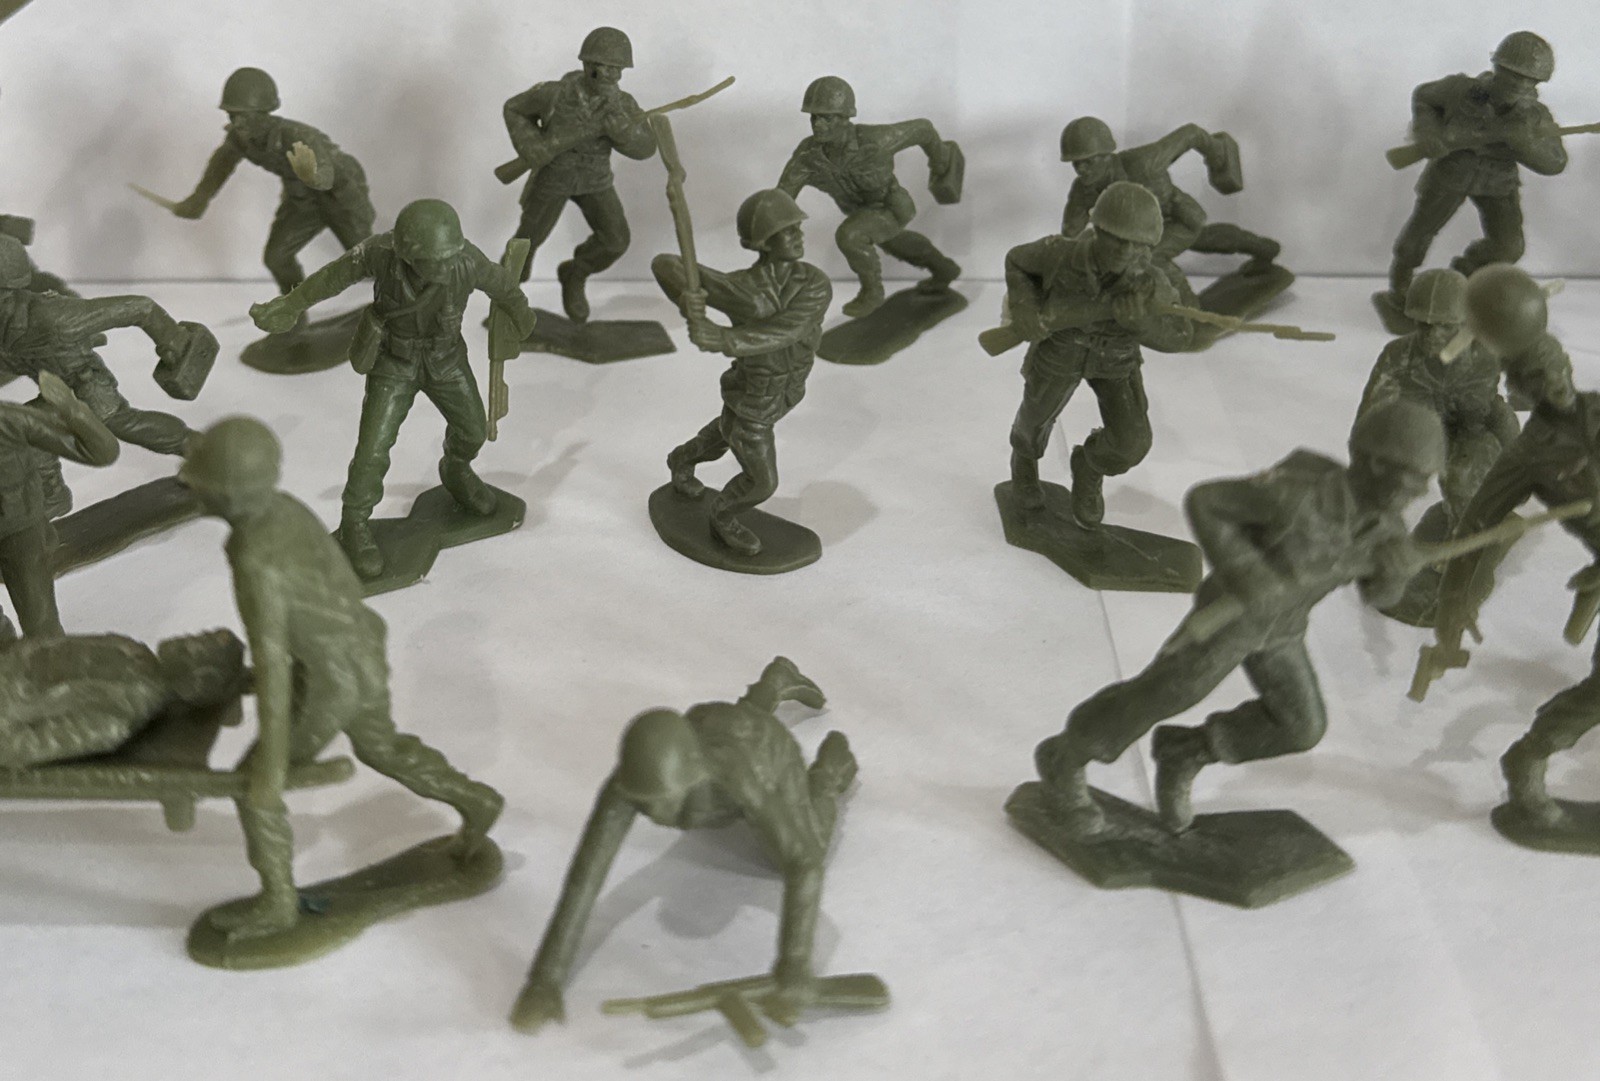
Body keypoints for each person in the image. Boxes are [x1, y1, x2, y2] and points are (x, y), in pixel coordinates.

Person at [1032, 401, 1445, 834]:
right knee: (1160, 694)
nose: (1421, 492)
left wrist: (1397, 574)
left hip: (1283, 631)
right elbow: (1206, 501)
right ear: (1376, 464)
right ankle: (1065, 757)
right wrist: (1248, 572)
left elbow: (1379, 596)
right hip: (1230, 621)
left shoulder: (1387, 529)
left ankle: (1185, 752)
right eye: (1414, 479)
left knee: (1301, 726)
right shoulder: (1296, 495)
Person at [178, 416, 503, 938]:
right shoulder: (284, 509)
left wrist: (269, 769)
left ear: (229, 494)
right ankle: (477, 802)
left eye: (200, 478)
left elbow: (272, 660)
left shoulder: (254, 558)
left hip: (330, 678)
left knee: (254, 788)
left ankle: (277, 904)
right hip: (360, 646)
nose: (188, 481)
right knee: (383, 748)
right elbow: (336, 584)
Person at [511, 657, 856, 1033]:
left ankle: (829, 771)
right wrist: (544, 981)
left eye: (667, 800)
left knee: (806, 848)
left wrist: (793, 968)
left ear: (694, 774)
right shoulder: (629, 784)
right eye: (647, 803)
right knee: (731, 734)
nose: (656, 814)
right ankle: (771, 685)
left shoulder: (741, 779)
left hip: (762, 752)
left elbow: (803, 864)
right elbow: (585, 878)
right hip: (714, 726)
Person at [249, 198, 535, 579]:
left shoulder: (466, 260)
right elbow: (333, 276)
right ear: (409, 255)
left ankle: (456, 470)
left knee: (473, 431)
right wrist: (290, 305)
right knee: (372, 449)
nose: (445, 267)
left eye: (448, 257)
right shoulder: (380, 254)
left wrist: (522, 316)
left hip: (446, 361)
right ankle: (354, 522)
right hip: (393, 364)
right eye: (434, 261)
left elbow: (504, 287)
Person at [1004, 181, 1195, 526]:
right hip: (1061, 349)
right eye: (1118, 240)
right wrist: (1025, 308)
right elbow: (1017, 261)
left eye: (1138, 244)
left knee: (1132, 441)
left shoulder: (1153, 282)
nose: (1127, 252)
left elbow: (1181, 337)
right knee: (1034, 417)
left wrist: (1141, 325)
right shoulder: (1059, 254)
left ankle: (1089, 468)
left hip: (1116, 360)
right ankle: (1024, 462)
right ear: (1098, 230)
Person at [652, 188, 832, 556]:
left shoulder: (814, 283)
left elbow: (789, 330)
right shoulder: (741, 288)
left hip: (787, 391)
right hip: (755, 391)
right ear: (764, 241)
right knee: (762, 481)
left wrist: (723, 337)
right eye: (787, 230)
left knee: (727, 431)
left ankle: (681, 460)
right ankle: (723, 515)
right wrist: (687, 300)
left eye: (797, 227)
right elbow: (665, 264)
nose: (798, 235)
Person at [1377, 32, 1566, 320]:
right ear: (1498, 68)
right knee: (1418, 234)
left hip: (1498, 183)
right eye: (1514, 76)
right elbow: (1424, 96)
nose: (1521, 86)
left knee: (1509, 247)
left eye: (1530, 81)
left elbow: (1556, 163)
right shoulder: (1460, 90)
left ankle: (1463, 279)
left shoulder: (1534, 116)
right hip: (1451, 174)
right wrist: (1428, 133)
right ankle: (1400, 287)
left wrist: (1525, 144)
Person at [168, 67, 375, 294]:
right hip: (302, 199)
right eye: (232, 115)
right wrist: (199, 199)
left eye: (244, 116)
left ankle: (400, 301)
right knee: (277, 258)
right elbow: (220, 165)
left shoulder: (298, 136)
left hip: (340, 194)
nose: (238, 123)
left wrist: (312, 176)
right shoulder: (239, 138)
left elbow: (327, 175)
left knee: (368, 259)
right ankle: (292, 311)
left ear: (264, 113)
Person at [501, 26, 657, 322]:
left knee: (615, 240)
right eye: (603, 67)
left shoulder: (623, 105)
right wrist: (531, 145)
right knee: (526, 241)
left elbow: (647, 147)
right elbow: (514, 108)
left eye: (617, 69)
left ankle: (574, 273)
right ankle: (506, 298)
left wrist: (626, 135)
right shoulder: (555, 94)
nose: (610, 75)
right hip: (554, 176)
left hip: (595, 180)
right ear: (587, 65)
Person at [777, 75, 961, 317]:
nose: (818, 124)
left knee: (851, 236)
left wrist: (940, 162)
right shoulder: (808, 157)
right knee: (895, 242)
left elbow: (923, 130)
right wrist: (771, 227)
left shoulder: (875, 141)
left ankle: (872, 292)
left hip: (892, 207)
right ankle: (944, 269)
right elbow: (780, 200)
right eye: (814, 117)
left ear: (846, 117)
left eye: (827, 118)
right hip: (859, 213)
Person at [1057, 116, 1279, 274]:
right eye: (1076, 163)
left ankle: (1178, 306)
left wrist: (1217, 155)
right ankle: (1264, 248)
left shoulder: (1144, 163)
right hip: (1144, 233)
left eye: (1088, 161)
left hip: (1180, 219)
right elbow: (1070, 234)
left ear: (1107, 155)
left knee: (1147, 260)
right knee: (1207, 240)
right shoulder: (1082, 190)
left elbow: (1191, 134)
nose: (1081, 169)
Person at [0, 372, 120, 638]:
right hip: (22, 530)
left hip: (21, 535)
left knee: (41, 626)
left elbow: (102, 451)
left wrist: (72, 409)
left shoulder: (9, 421)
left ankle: (47, 659)